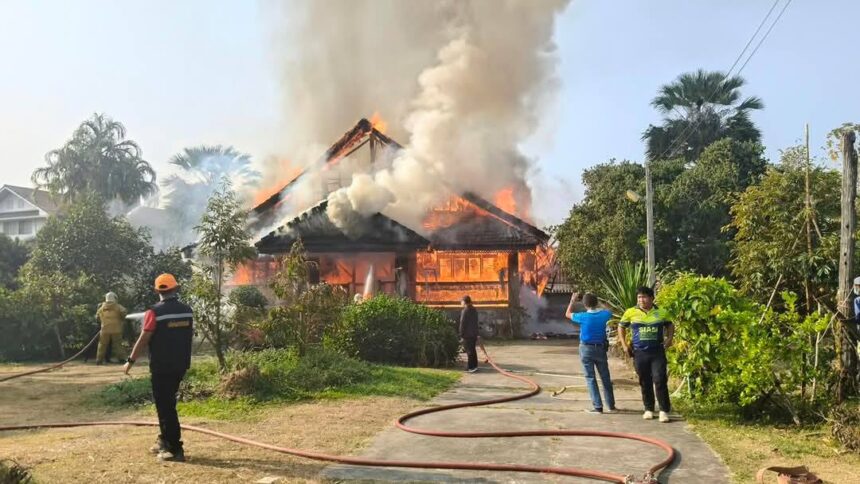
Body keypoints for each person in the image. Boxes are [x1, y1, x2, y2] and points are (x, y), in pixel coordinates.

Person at [123, 274, 194, 462]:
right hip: (181, 365)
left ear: (157, 291)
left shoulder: (154, 312)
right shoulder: (187, 311)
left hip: (162, 366)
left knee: (165, 406)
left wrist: (130, 361)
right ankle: (164, 440)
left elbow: (144, 338)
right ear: (176, 288)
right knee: (167, 402)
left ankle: (174, 449)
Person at [618, 286, 674, 423]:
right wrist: (624, 345)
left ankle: (663, 410)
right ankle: (648, 409)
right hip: (639, 352)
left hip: (657, 352)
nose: (641, 300)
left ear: (651, 298)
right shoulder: (630, 312)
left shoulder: (661, 312)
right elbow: (621, 327)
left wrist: (669, 339)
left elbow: (670, 325)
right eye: (639, 297)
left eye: (644, 297)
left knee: (660, 379)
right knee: (645, 381)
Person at [565, 292, 616, 414]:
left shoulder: (582, 316)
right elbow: (610, 310)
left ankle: (598, 406)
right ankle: (610, 405)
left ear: (584, 304)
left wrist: (572, 301)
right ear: (596, 302)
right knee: (605, 377)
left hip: (586, 349)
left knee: (590, 378)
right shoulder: (604, 315)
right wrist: (600, 302)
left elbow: (567, 314)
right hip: (600, 348)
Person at [96, 292, 127, 364]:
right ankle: (122, 359)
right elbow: (124, 313)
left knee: (102, 345)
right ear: (115, 298)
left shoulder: (102, 308)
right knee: (118, 344)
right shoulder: (118, 307)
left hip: (104, 329)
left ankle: (99, 360)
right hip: (117, 329)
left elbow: (97, 317)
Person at [459, 295, 479, 373]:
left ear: (464, 302)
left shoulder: (465, 311)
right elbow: (476, 322)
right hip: (473, 334)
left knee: (469, 351)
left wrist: (461, 334)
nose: (461, 303)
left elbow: (462, 323)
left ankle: (471, 367)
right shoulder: (474, 310)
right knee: (473, 350)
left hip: (467, 334)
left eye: (461, 301)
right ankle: (475, 365)